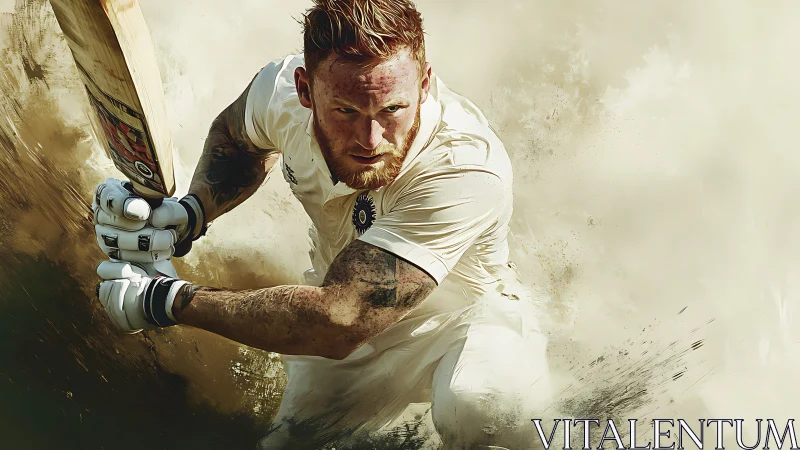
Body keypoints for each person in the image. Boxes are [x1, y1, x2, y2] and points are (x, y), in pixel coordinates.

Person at [92, 0, 552, 448]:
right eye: (347, 112)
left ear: (425, 84)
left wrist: (167, 299)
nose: (370, 140)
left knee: (476, 409)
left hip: (466, 323)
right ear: (305, 90)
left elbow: (338, 319)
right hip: (351, 326)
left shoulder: (464, 168)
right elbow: (238, 140)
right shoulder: (279, 95)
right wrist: (191, 212)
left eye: (392, 110)